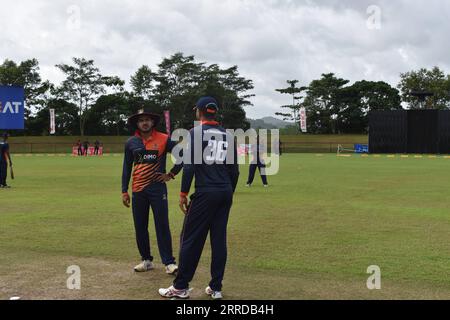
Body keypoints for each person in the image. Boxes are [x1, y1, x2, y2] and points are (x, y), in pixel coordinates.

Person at [159, 96, 239, 299]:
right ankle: (216, 287)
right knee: (219, 240)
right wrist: (228, 191)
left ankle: (180, 287)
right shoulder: (229, 135)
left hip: (205, 193)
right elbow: (235, 171)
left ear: (199, 111)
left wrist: (183, 193)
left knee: (190, 239)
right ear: (214, 112)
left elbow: (190, 165)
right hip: (225, 192)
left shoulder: (195, 133)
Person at [122, 107, 182, 275]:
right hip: (138, 190)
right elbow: (127, 167)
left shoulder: (164, 139)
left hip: (157, 189)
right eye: (141, 120)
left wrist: (171, 174)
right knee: (140, 226)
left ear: (153, 122)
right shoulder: (131, 143)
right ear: (137, 123)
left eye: (147, 120)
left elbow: (182, 155)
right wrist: (124, 190)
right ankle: (146, 260)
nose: (145, 123)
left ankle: (169, 263)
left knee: (162, 225)